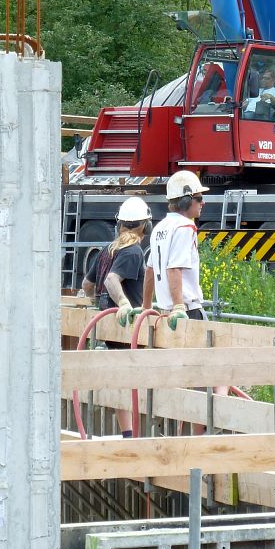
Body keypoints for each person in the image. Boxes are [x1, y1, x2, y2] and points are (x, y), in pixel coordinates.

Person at [143, 170, 227, 432]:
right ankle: (203, 439)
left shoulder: (160, 227)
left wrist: (146, 307)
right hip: (187, 313)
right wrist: (179, 304)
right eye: (200, 198)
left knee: (185, 382)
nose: (203, 204)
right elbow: (174, 269)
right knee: (212, 377)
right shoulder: (184, 227)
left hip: (166, 314)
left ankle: (183, 441)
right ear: (187, 200)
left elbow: (150, 270)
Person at [82, 196, 152, 437]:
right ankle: (134, 437)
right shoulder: (133, 251)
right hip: (127, 329)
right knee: (133, 381)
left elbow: (87, 285)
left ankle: (129, 434)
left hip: (113, 331)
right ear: (146, 225)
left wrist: (99, 302)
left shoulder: (107, 250)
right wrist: (122, 302)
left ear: (119, 224)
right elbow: (112, 279)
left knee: (122, 381)